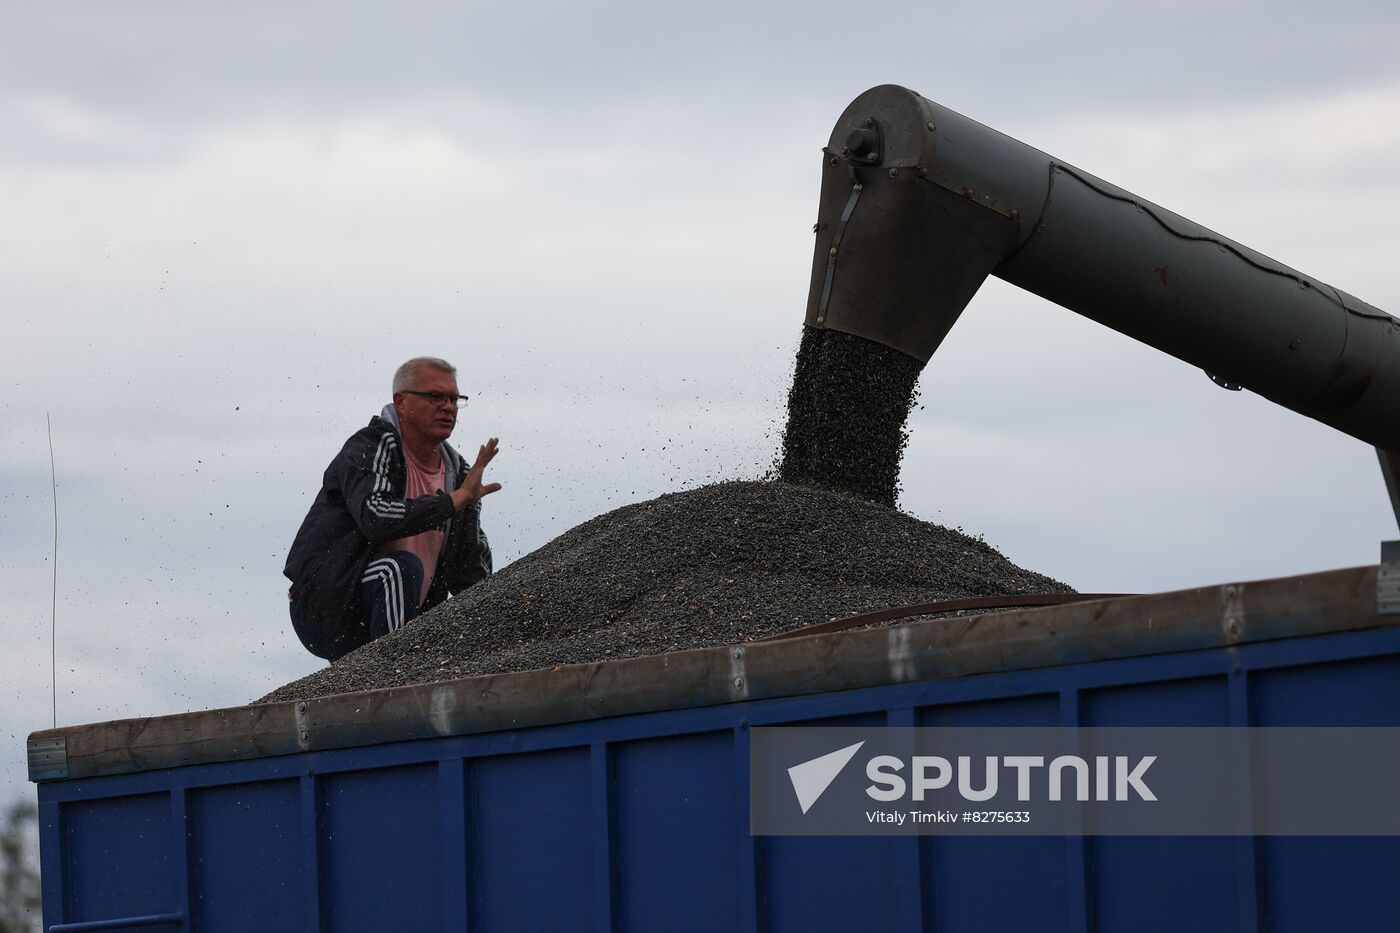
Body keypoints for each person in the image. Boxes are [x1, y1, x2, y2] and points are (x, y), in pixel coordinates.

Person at [284, 357, 500, 660]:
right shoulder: (371, 446)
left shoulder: (459, 473)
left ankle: (392, 672)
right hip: (325, 609)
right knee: (400, 568)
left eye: (454, 399)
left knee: (458, 602)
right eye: (435, 396)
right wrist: (452, 502)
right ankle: (390, 676)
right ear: (401, 402)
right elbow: (376, 517)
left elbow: (469, 572)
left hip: (403, 616)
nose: (447, 407)